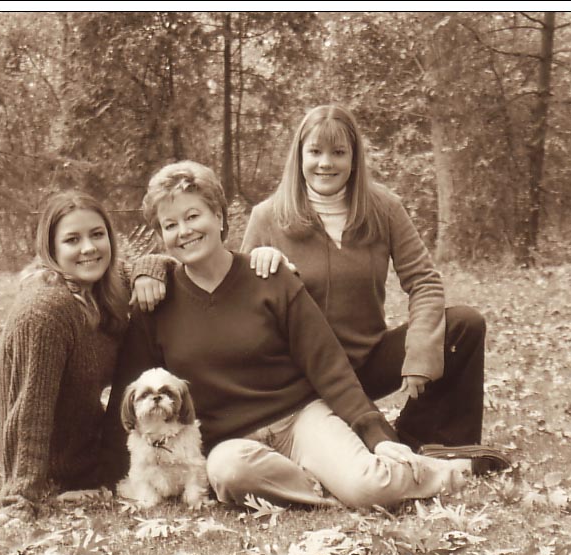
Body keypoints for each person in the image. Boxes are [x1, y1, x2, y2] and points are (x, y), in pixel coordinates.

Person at [101, 160, 480, 509]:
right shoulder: (156, 301)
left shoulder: (268, 277)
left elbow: (328, 365)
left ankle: (450, 472)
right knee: (227, 473)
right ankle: (327, 487)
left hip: (301, 419)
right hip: (234, 443)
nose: (184, 231)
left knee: (368, 488)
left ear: (219, 216)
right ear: (161, 236)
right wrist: (101, 476)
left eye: (193, 216)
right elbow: (127, 395)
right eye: (170, 225)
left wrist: (375, 433)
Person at [241, 104, 510, 468]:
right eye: (315, 152)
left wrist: (421, 352)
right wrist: (260, 265)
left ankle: (438, 443)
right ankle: (387, 443)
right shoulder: (268, 217)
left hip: (367, 360)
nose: (326, 163)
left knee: (464, 325)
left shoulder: (383, 207)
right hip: (307, 378)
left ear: (354, 158)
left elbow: (424, 280)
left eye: (339, 152)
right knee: (381, 457)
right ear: (299, 155)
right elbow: (241, 308)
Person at [0, 189, 172, 518]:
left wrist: (150, 270)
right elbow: (31, 409)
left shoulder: (104, 286)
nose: (89, 248)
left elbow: (156, 264)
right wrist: (20, 499)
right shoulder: (46, 309)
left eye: (97, 235)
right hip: (58, 463)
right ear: (51, 249)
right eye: (72, 240)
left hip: (88, 442)